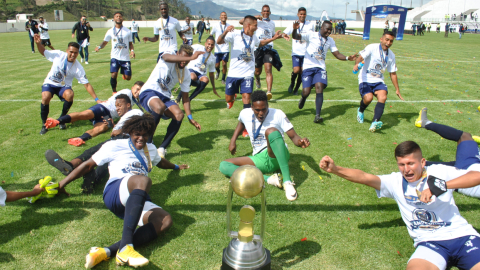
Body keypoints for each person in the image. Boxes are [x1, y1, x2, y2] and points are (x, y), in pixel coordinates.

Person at [319, 140, 480, 270]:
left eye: (411, 163)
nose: (406, 169)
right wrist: (335, 169)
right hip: (430, 243)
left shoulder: (439, 172)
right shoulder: (395, 182)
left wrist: (442, 185)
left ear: (422, 162)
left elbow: (476, 176)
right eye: (401, 164)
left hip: (462, 237)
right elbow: (365, 177)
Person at [54, 114, 188, 269]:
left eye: (145, 135)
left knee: (165, 220)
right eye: (137, 134)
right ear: (130, 132)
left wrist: (176, 167)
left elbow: (161, 162)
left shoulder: (150, 149)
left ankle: (105, 252)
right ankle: (126, 247)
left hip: (136, 198)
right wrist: (62, 184)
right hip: (115, 192)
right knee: (143, 180)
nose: (141, 138)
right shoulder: (114, 145)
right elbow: (88, 165)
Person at [219, 90, 310, 201]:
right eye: (257, 110)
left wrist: (300, 142)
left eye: (264, 109)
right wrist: (233, 140)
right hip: (259, 158)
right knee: (224, 165)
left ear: (268, 105)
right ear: (252, 107)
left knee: (271, 131)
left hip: (278, 155)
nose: (261, 113)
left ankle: (287, 181)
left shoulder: (278, 114)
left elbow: (294, 137)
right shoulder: (244, 113)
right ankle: (270, 179)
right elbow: (241, 124)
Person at [45, 96, 145, 194]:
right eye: (116, 106)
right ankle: (71, 166)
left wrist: (121, 130)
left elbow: (139, 125)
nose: (117, 108)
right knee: (91, 152)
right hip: (115, 140)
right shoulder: (123, 118)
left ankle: (90, 179)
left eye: (119, 105)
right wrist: (113, 126)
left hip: (125, 141)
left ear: (128, 105)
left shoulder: (135, 112)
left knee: (104, 162)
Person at [138, 44, 202, 158]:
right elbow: (166, 57)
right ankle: (148, 143)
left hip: (164, 96)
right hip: (149, 91)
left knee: (178, 115)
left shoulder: (186, 73)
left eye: (187, 60)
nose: (184, 62)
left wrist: (190, 117)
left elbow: (186, 98)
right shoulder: (168, 59)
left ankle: (162, 148)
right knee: (159, 107)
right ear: (178, 54)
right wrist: (190, 58)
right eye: (183, 58)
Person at [292, 20, 357, 123]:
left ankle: (317, 115)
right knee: (306, 92)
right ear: (321, 28)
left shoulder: (330, 40)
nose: (329, 32)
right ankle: (303, 98)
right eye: (327, 29)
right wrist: (295, 29)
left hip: (320, 68)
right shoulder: (311, 35)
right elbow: (296, 36)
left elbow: (337, 54)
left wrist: (348, 58)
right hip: (308, 67)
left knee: (319, 87)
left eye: (330, 30)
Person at [35, 36, 101, 135]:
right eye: (71, 52)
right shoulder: (58, 55)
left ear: (78, 53)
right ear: (67, 51)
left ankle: (61, 120)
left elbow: (87, 85)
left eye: (75, 52)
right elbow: (43, 51)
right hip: (50, 83)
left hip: (63, 86)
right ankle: (44, 124)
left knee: (70, 95)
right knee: (45, 97)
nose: (73, 54)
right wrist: (38, 44)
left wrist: (97, 99)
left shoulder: (78, 67)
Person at [217, 15, 282, 111]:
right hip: (234, 73)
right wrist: (226, 31)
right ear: (248, 25)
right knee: (228, 99)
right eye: (255, 25)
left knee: (247, 99)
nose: (257, 28)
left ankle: (246, 123)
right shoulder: (235, 34)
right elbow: (219, 41)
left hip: (248, 73)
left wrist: (274, 38)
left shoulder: (254, 37)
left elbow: (260, 43)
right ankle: (233, 97)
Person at [44, 81, 143, 145]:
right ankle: (56, 121)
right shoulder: (127, 93)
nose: (138, 92)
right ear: (132, 87)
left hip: (108, 116)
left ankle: (80, 139)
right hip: (103, 107)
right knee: (84, 115)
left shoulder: (134, 100)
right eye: (137, 89)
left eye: (140, 90)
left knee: (101, 128)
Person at [414, 107, 480, 198]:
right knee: (454, 164)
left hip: (468, 175)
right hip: (469, 175)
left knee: (465, 136)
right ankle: (419, 164)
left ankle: (425, 122)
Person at [353, 31, 403, 132]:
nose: (388, 43)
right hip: (365, 78)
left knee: (383, 97)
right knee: (368, 98)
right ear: (381, 39)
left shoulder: (391, 55)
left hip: (378, 80)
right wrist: (357, 64)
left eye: (391, 41)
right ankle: (361, 110)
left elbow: (392, 73)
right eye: (387, 40)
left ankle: (374, 123)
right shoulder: (372, 47)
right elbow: (360, 57)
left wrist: (397, 89)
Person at [240, 5, 283, 100]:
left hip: (268, 48)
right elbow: (241, 22)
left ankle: (268, 92)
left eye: (267, 11)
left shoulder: (272, 23)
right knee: (257, 71)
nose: (266, 13)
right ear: (261, 12)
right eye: (264, 11)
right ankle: (257, 78)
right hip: (258, 48)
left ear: (270, 12)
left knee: (268, 69)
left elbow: (272, 34)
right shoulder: (257, 22)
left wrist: (276, 36)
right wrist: (255, 17)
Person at [95, 12, 135, 94]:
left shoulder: (127, 31)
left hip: (125, 57)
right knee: (113, 74)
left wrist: (132, 51)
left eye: (120, 16)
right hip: (115, 57)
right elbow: (105, 42)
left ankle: (124, 74)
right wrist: (99, 47)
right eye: (117, 16)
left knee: (128, 77)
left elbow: (130, 44)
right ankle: (114, 91)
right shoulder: (110, 31)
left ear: (122, 19)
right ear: (114, 19)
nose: (118, 17)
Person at [175, 36, 220, 103]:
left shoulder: (213, 58)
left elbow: (211, 74)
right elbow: (187, 50)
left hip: (201, 75)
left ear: (214, 46)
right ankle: (178, 98)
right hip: (191, 70)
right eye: (208, 44)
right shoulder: (198, 47)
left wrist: (213, 87)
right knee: (193, 76)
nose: (210, 46)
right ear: (205, 43)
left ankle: (189, 100)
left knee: (206, 79)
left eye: (212, 44)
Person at [283, 7, 315, 96]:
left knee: (302, 72)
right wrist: (284, 35)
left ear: (306, 15)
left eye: (304, 14)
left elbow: (313, 36)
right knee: (296, 70)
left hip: (306, 53)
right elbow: (285, 33)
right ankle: (292, 83)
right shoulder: (293, 24)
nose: (302, 15)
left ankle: (296, 89)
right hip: (296, 52)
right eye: (301, 14)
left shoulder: (310, 25)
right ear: (298, 14)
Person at [210, 11, 231, 85]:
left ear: (226, 17)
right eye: (222, 15)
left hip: (225, 48)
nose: (224, 16)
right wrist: (211, 44)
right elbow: (211, 35)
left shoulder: (229, 26)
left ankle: (223, 79)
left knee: (224, 64)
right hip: (217, 49)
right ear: (220, 17)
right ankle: (218, 71)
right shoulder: (215, 26)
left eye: (225, 15)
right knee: (217, 65)